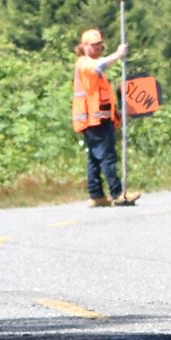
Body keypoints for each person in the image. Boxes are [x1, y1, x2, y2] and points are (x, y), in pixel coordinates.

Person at [71, 28, 137, 206]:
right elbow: (100, 65)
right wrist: (118, 54)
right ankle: (117, 194)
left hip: (97, 119)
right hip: (93, 120)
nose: (98, 48)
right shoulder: (85, 63)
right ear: (84, 46)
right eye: (94, 45)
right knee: (107, 156)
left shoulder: (90, 62)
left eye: (100, 45)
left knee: (94, 158)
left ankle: (96, 195)